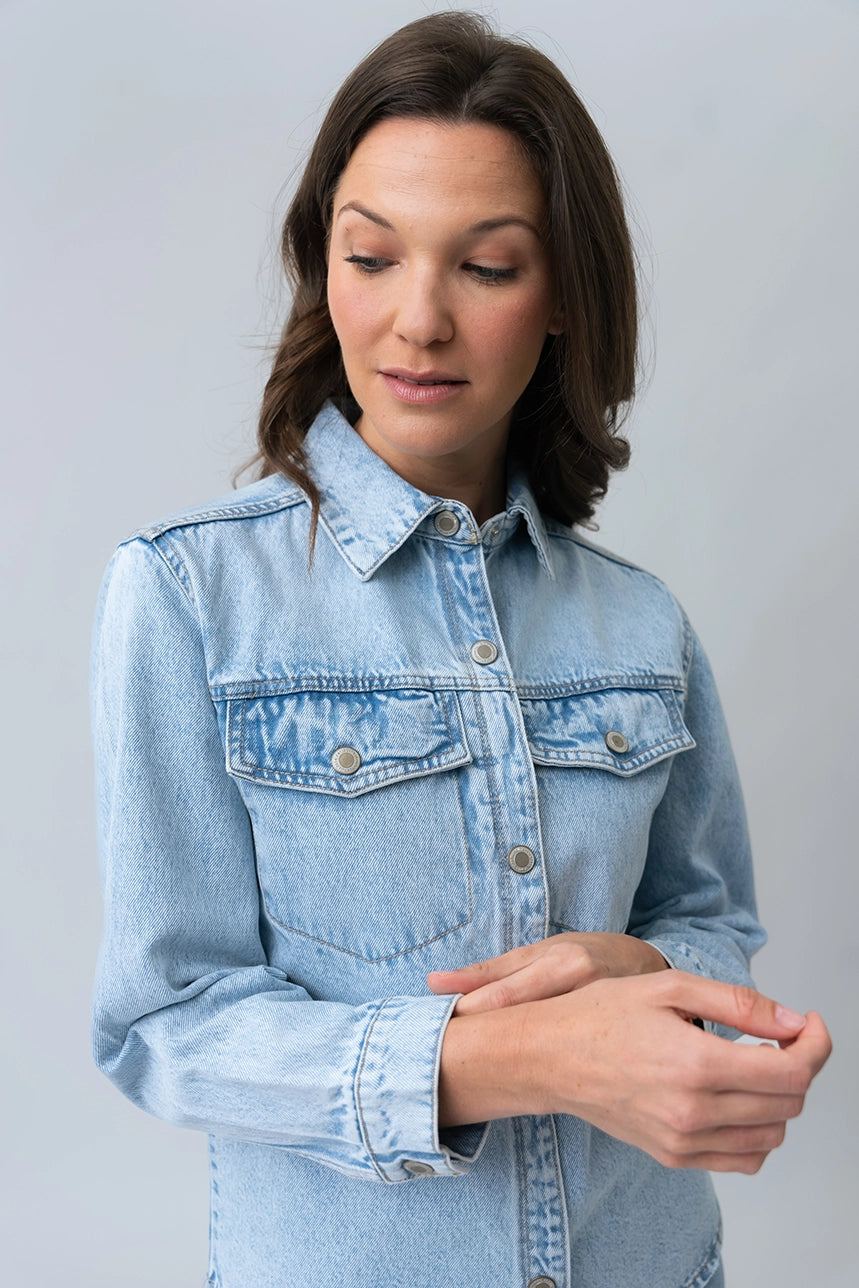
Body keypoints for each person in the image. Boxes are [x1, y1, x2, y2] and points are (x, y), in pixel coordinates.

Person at [91, 12, 831, 1288]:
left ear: (563, 298)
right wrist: (511, 1058)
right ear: (322, 267)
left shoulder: (642, 623)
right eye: (371, 255)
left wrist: (642, 970)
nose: (419, 319)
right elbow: (165, 1025)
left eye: (487, 266)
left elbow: (710, 924)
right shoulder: (187, 595)